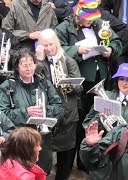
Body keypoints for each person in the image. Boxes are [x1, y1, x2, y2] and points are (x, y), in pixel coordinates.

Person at [54, 0, 123, 171]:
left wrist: (111, 50)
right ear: (78, 14)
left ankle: (86, 162)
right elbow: (56, 49)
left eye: (92, 18)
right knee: (76, 125)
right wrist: (76, 51)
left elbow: (117, 42)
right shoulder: (65, 27)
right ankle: (69, 164)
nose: (90, 21)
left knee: (94, 122)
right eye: (87, 18)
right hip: (77, 82)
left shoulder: (100, 24)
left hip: (100, 80)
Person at [0, 48, 64, 174]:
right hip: (20, 139)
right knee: (20, 172)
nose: (29, 68)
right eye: (24, 65)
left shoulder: (44, 82)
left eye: (31, 64)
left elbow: (59, 107)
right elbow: (3, 113)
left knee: (43, 169)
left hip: (42, 138)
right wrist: (26, 112)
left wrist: (44, 111)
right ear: (17, 67)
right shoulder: (7, 86)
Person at [35, 28, 82, 180]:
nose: (49, 48)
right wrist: (39, 61)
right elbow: (34, 82)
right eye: (44, 45)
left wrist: (67, 83)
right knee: (43, 155)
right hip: (47, 115)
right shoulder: (38, 62)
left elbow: (80, 88)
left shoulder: (69, 61)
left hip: (68, 114)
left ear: (56, 43)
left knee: (66, 157)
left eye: (51, 44)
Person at [82, 63, 128, 179]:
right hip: (104, 150)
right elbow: (86, 123)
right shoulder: (106, 96)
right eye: (121, 79)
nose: (124, 83)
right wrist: (100, 119)